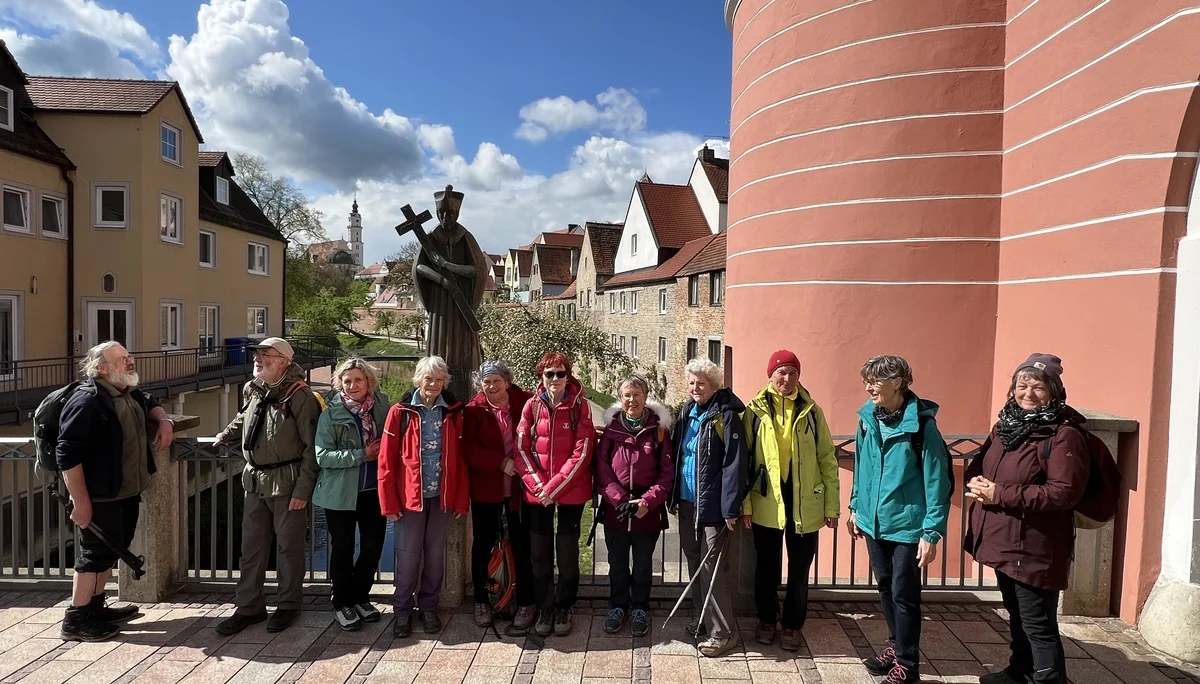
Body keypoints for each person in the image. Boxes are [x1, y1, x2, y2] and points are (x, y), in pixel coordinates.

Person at [964, 354, 1089, 684]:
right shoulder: (1006, 424)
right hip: (1006, 543)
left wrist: (998, 494)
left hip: (1036, 547)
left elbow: (1063, 493)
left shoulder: (1063, 435)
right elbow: (981, 463)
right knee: (1018, 617)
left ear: (1054, 391)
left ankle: (1049, 679)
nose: (1028, 393)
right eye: (1022, 385)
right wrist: (975, 480)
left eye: (1038, 386)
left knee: (1038, 624)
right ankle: (1020, 672)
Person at [55, 342, 174, 642]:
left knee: (110, 552)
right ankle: (76, 619)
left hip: (125, 492)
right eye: (121, 359)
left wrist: (165, 420)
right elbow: (67, 455)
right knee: (93, 557)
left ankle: (95, 608)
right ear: (101, 368)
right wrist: (80, 502)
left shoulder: (125, 391)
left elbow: (148, 399)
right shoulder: (88, 401)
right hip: (100, 496)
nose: (130, 361)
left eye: (130, 356)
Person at [848, 355, 951, 684]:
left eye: (874, 381)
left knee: (905, 596)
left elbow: (937, 481)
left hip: (908, 526)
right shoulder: (867, 420)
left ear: (897, 382)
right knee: (885, 588)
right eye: (866, 380)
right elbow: (861, 468)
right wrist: (855, 507)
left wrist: (932, 532)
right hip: (875, 523)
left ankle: (908, 665)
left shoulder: (923, 427)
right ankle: (895, 646)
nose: (868, 387)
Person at [215, 337, 321, 636]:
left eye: (266, 355)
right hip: (255, 481)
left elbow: (313, 449)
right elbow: (246, 418)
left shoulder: (301, 397)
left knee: (288, 549)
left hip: (288, 483)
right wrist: (225, 435)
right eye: (257, 354)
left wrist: (303, 491)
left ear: (284, 361)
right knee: (251, 549)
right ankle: (249, 607)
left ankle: (288, 606)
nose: (258, 359)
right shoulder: (254, 389)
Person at [743, 350, 840, 652]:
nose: (786, 378)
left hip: (804, 500)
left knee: (799, 567)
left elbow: (827, 458)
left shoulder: (812, 411)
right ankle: (767, 619)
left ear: (799, 376)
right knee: (767, 566)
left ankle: (793, 625)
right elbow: (744, 462)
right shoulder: (754, 410)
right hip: (766, 498)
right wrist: (745, 505)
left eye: (792, 372)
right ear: (770, 375)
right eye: (781, 372)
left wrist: (831, 506)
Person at [378, 355, 470, 638]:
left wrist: (460, 499)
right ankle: (403, 611)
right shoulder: (401, 411)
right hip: (409, 499)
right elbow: (386, 460)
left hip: (440, 497)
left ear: (445, 382)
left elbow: (461, 460)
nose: (433, 384)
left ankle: (428, 607)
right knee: (407, 557)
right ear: (419, 379)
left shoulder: (453, 412)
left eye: (439, 379)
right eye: (428, 378)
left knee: (434, 556)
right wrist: (388, 503)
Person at [668, 357, 747, 658]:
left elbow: (734, 465)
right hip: (688, 502)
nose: (695, 387)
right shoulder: (688, 411)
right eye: (691, 382)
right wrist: (674, 496)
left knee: (713, 570)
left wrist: (730, 509)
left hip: (713, 508)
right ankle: (701, 619)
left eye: (701, 382)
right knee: (694, 562)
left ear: (715, 385)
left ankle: (723, 633)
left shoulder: (726, 416)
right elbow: (679, 454)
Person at [515, 352, 595, 637]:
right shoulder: (531, 406)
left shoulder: (580, 407)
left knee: (567, 552)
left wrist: (553, 488)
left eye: (560, 373)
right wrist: (539, 487)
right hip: (538, 492)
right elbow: (521, 449)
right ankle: (545, 606)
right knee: (539, 553)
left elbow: (582, 452)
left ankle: (564, 605)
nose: (555, 379)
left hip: (570, 491)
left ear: (568, 376)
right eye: (549, 373)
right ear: (542, 376)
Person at [312, 357, 391, 632]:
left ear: (369, 381)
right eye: (347, 381)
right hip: (340, 494)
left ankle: (360, 597)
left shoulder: (382, 405)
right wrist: (362, 454)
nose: (353, 385)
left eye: (358, 380)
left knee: (372, 547)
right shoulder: (330, 413)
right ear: (340, 385)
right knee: (343, 549)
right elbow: (323, 456)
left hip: (374, 492)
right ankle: (341, 602)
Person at [596, 374, 674, 637]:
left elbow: (666, 474)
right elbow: (603, 471)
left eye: (637, 394)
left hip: (646, 511)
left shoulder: (659, 431)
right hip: (616, 511)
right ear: (620, 398)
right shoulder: (612, 431)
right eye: (627, 395)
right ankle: (618, 606)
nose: (632, 400)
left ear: (645, 397)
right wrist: (620, 500)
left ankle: (640, 607)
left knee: (642, 564)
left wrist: (646, 502)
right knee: (617, 563)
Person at [461, 360, 536, 631]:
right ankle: (482, 600)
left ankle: (525, 600)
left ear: (507, 381)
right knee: (483, 543)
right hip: (488, 488)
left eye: (496, 381)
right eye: (486, 382)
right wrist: (499, 462)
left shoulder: (526, 401)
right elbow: (467, 448)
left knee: (521, 544)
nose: (492, 386)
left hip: (520, 488)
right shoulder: (473, 410)